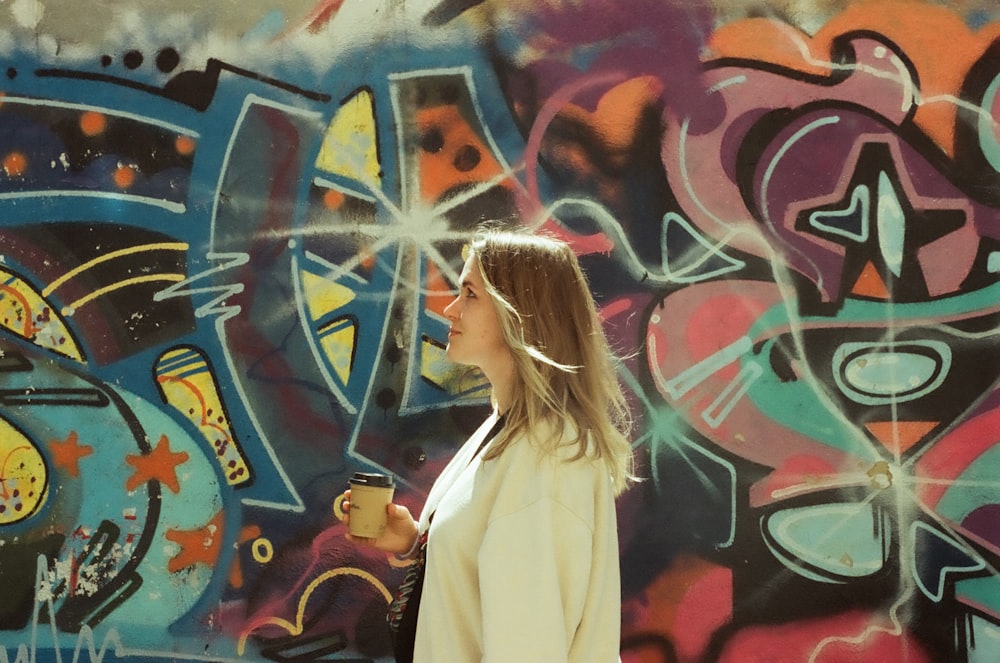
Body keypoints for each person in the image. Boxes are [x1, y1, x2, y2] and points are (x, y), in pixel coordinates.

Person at [343, 227, 634, 662]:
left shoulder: (547, 456)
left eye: (470, 294)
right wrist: (417, 543)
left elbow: (528, 648)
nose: (450, 309)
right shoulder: (509, 427)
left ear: (521, 313)